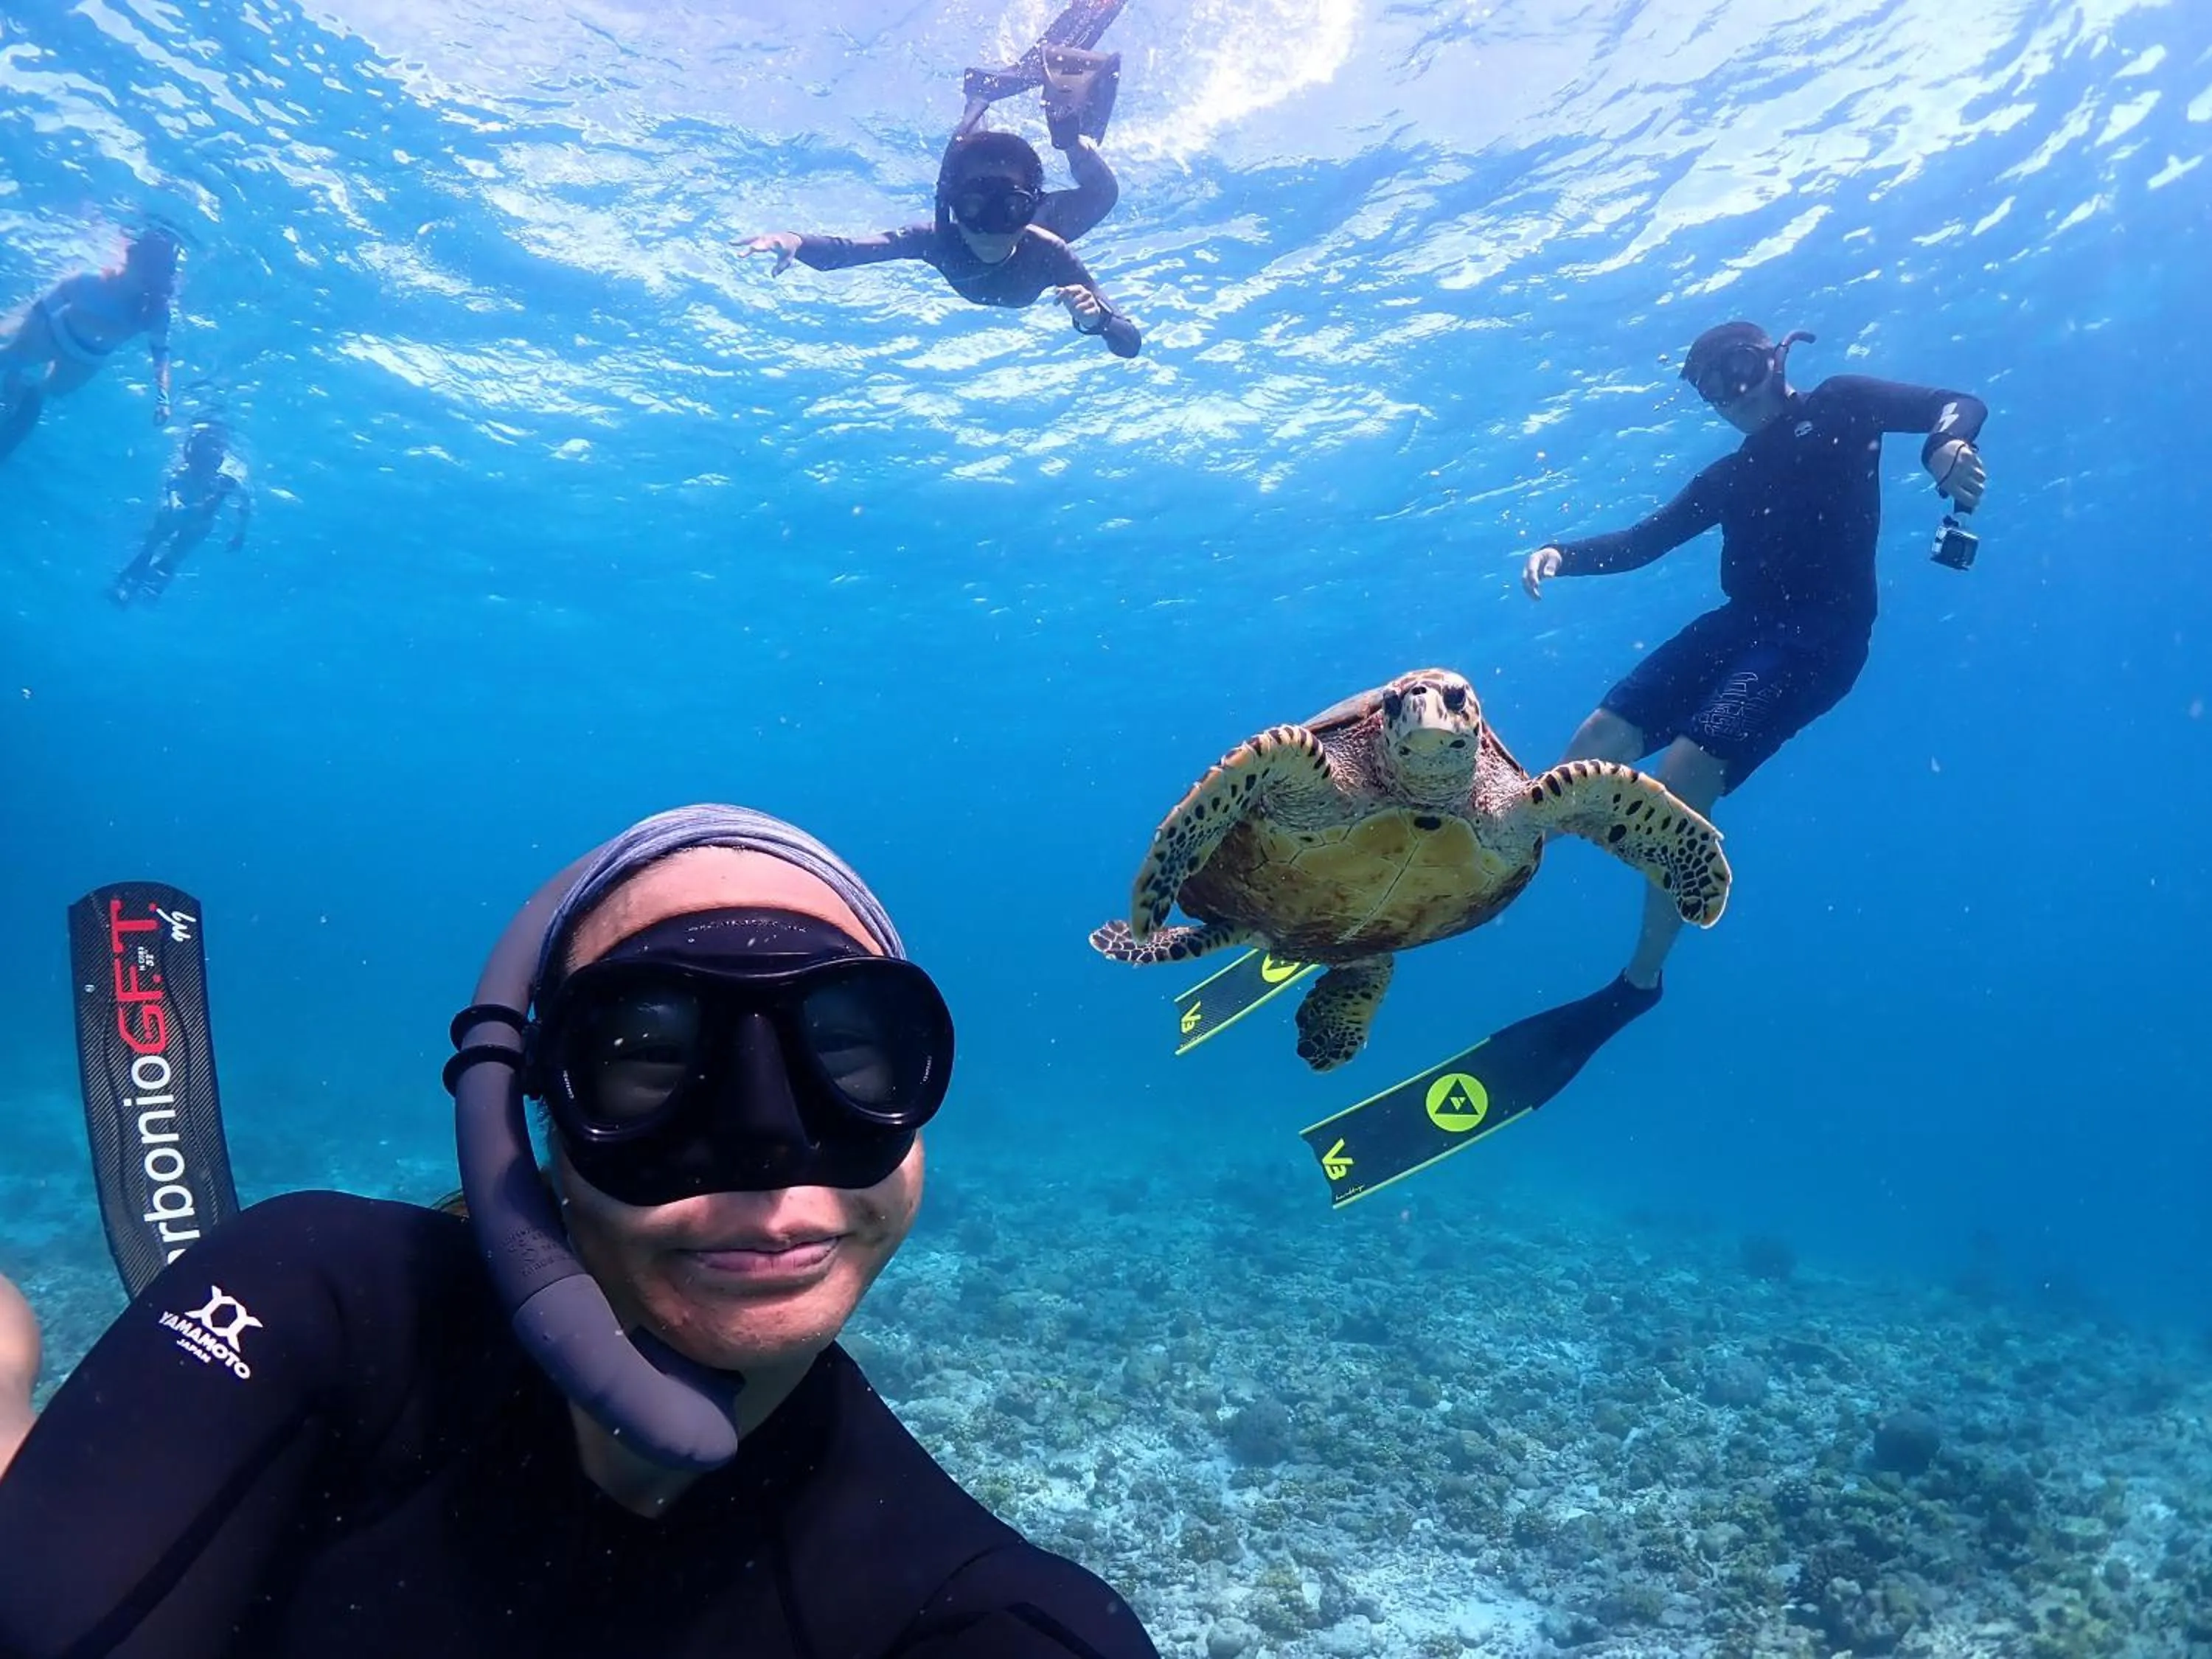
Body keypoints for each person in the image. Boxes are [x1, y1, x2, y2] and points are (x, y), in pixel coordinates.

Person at [0, 805, 1160, 1659]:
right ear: (519, 1118)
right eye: (651, 1059)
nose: (767, 1149)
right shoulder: (314, 1297)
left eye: (847, 1053)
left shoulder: (982, 1612)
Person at [1515, 321, 1989, 1040]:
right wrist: (1560, 552)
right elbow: (1645, 541)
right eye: (1710, 386)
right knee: (1596, 740)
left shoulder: (1843, 402)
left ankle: (1639, 980)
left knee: (1685, 770)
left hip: (1821, 637)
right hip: (1741, 625)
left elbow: (1953, 401)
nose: (1729, 394)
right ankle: (1494, 861)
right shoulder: (1730, 477)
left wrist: (1945, 446)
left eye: (1737, 369)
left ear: (1776, 358)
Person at [741, 0, 1141, 358]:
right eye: (974, 206)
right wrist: (794, 240)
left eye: (1011, 206)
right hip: (1028, 220)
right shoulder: (939, 239)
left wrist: (1095, 321)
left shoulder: (1048, 250)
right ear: (953, 205)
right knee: (1101, 195)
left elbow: (1127, 340)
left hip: (1036, 226)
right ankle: (1002, 107)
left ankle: (1014, 112)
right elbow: (847, 252)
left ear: (1030, 203)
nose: (991, 227)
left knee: (1101, 193)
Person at [0, 223, 181, 466]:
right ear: (131, 255)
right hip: (50, 336)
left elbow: (161, 354)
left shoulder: (156, 312)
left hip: (84, 361)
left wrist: (163, 397)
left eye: (159, 270)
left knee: (43, 394)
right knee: (9, 358)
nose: (150, 276)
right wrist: (15, 367)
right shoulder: (87, 282)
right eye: (149, 265)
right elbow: (38, 314)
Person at [110, 417, 252, 606]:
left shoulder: (227, 477)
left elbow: (245, 502)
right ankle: (131, 587)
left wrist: (240, 533)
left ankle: (140, 589)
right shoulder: (182, 473)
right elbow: (174, 503)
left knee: (170, 556)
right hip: (181, 516)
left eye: (215, 456)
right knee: (153, 549)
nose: (211, 462)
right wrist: (239, 532)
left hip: (197, 522)